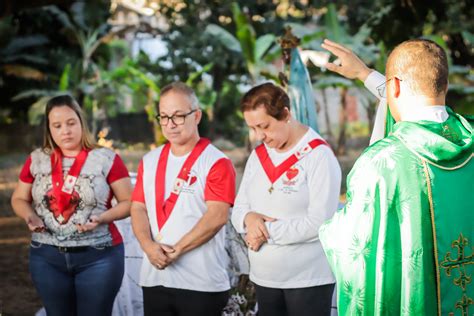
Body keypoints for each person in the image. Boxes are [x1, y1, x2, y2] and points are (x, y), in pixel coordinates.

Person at [319, 39, 473, 315]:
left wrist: (329, 230)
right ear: (446, 85)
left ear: (395, 87)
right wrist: (365, 74)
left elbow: (356, 249)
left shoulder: (383, 162)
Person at [11, 95, 132, 316]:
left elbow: (129, 202)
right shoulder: (36, 159)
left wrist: (102, 218)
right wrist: (30, 216)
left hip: (99, 257)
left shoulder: (106, 158)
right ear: (49, 129)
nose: (65, 131)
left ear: (81, 122)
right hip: (46, 258)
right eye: (57, 125)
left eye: (71, 123)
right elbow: (19, 198)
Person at [231, 82, 342, 316]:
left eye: (264, 126)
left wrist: (264, 231)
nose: (259, 136)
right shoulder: (258, 155)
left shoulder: (318, 155)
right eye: (252, 128)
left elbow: (320, 222)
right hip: (265, 277)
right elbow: (239, 209)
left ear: (285, 115)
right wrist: (249, 219)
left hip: (307, 278)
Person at [130, 82, 236, 316]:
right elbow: (138, 208)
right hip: (155, 277)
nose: (170, 124)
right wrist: (148, 247)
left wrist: (176, 250)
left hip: (201, 282)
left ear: (196, 116)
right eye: (164, 117)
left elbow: (217, 216)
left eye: (178, 116)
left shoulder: (216, 162)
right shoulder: (149, 161)